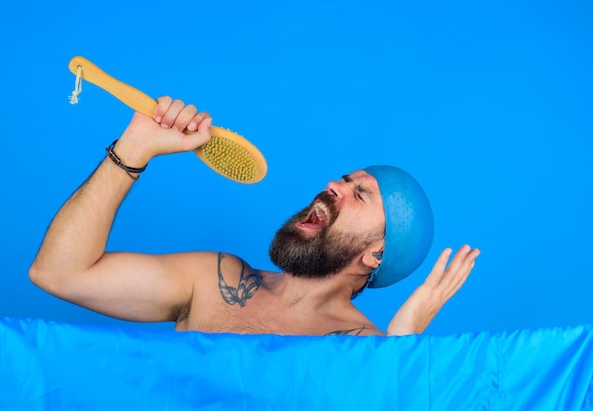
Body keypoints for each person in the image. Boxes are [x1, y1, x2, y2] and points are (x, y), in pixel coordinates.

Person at [29, 96, 480, 337]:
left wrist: (400, 350)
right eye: (344, 179)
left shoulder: (362, 349)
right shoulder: (211, 279)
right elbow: (59, 273)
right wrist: (134, 148)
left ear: (375, 255)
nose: (333, 185)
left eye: (360, 195)